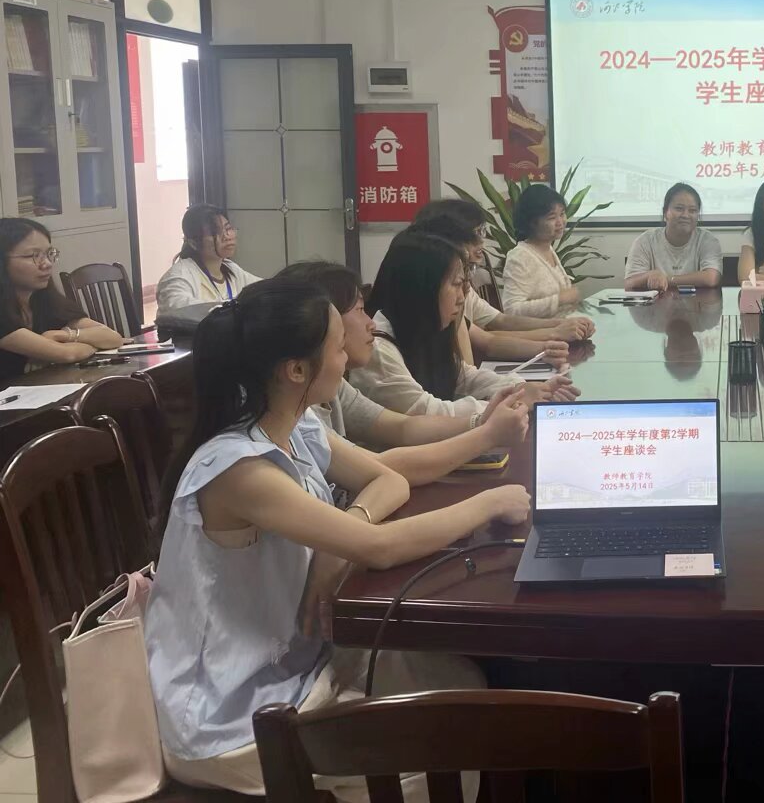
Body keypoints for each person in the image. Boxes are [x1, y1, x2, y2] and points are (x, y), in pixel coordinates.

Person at [144, 279, 530, 798]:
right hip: (229, 715)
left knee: (463, 683)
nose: (347, 355)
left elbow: (389, 476)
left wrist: (340, 536)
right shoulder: (238, 468)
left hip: (297, 661)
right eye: (336, 344)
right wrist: (488, 502)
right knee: (451, 744)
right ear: (295, 370)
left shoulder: (294, 423)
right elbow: (381, 548)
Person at [277, 261, 529, 483]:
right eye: (360, 310)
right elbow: (382, 469)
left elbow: (403, 426)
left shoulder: (331, 388)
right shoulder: (299, 418)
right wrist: (487, 434)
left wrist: (481, 422)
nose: (370, 323)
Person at [352, 231, 578, 417]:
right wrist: (509, 402)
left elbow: (463, 376)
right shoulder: (379, 349)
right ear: (422, 288)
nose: (462, 297)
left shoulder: (424, 329)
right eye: (456, 284)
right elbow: (427, 412)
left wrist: (519, 388)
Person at [413, 199, 595, 349]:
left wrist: (558, 327)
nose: (482, 243)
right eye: (475, 234)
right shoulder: (430, 293)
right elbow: (488, 338)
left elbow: (499, 321)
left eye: (482, 232)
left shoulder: (462, 288)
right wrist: (555, 332)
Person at [0, 218, 124, 375]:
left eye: (49, 254)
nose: (47, 264)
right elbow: (67, 354)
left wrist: (62, 335)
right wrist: (92, 345)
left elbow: (113, 338)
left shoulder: (43, 300)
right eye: (33, 255)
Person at [155, 205, 262, 313]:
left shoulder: (231, 269)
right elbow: (179, 308)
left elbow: (263, 288)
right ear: (194, 243)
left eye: (228, 228)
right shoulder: (179, 276)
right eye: (214, 233)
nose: (227, 236)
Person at [502, 184, 583, 318]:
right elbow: (512, 310)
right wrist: (559, 300)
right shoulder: (520, 256)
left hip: (563, 326)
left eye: (562, 214)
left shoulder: (548, 248)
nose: (560, 222)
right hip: (542, 331)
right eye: (552, 217)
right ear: (532, 222)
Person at [624, 183, 722, 292]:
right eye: (679, 209)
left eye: (692, 210)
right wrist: (649, 275)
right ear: (665, 212)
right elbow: (629, 283)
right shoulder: (645, 241)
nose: (685, 215)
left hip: (698, 302)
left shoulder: (707, 240)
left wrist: (666, 279)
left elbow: (711, 278)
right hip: (656, 303)